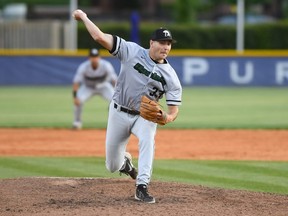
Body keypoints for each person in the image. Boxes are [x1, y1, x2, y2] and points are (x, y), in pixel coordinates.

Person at [73, 9, 182, 203]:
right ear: (151, 42)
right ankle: (126, 164)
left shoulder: (171, 77)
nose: (165, 47)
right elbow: (99, 36)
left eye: (168, 44)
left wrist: (168, 117)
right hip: (118, 112)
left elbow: (174, 110)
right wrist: (84, 17)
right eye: (162, 42)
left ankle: (142, 186)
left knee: (148, 140)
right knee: (112, 165)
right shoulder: (131, 51)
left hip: (145, 116)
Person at [72, 48, 117, 129]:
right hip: (88, 87)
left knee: (116, 102)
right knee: (78, 101)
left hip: (103, 86)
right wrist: (75, 97)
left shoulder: (106, 66)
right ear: (89, 58)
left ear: (99, 57)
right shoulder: (84, 67)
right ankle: (77, 122)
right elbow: (76, 82)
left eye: (96, 56)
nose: (94, 58)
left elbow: (114, 81)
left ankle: (115, 125)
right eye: (92, 56)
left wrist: (117, 95)